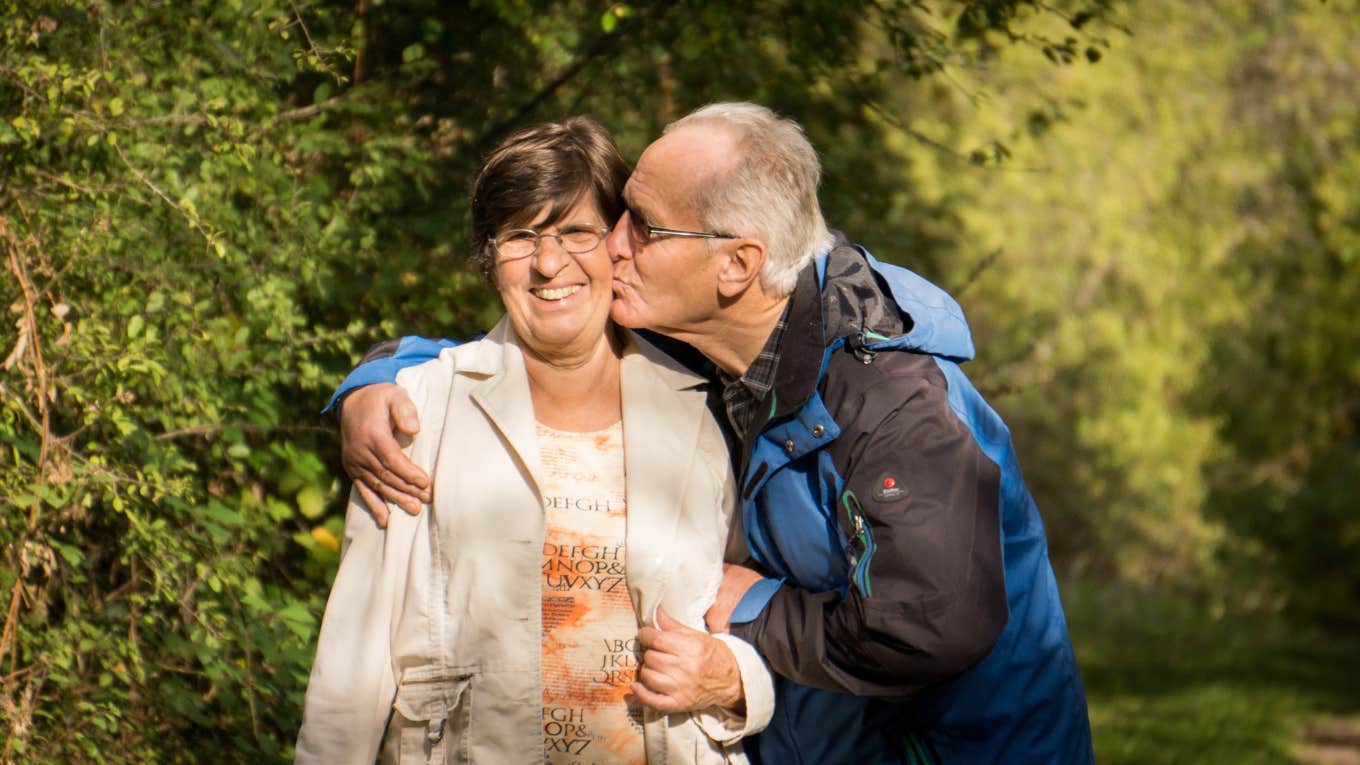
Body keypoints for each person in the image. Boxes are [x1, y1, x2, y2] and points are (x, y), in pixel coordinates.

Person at [334, 103, 1095, 764]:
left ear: (737, 263)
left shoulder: (892, 403)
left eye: (643, 226)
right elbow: (531, 341)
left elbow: (931, 625)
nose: (612, 244)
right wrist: (380, 377)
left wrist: (758, 607)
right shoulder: (721, 333)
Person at [295, 116, 774, 765]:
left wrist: (737, 679)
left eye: (577, 231)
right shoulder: (420, 406)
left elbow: (758, 607)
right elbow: (351, 668)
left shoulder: (709, 410)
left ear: (622, 241)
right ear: (491, 254)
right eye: (521, 236)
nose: (549, 264)